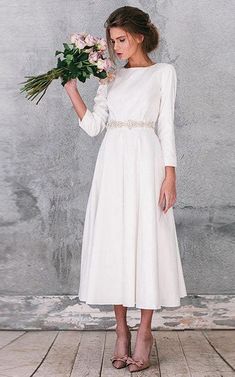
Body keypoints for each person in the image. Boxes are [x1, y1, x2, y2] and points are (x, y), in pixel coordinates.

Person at [64, 5, 187, 373]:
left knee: (148, 240)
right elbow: (93, 126)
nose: (115, 47)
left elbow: (166, 126)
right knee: (116, 243)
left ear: (139, 36)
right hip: (113, 165)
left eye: (121, 40)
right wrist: (72, 89)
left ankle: (145, 332)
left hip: (147, 163)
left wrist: (170, 175)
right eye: (112, 41)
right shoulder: (109, 78)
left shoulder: (164, 73)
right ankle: (121, 332)